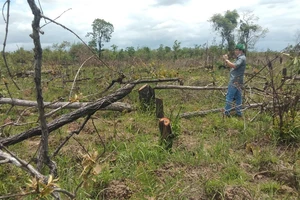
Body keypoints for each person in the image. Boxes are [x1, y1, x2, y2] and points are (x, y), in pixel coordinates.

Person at [222, 43, 246, 117]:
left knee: (229, 97)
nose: (235, 51)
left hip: (235, 81)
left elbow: (234, 66)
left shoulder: (241, 58)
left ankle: (226, 113)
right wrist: (227, 62)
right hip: (238, 81)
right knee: (238, 97)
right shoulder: (239, 58)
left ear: (240, 51)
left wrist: (226, 59)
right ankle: (239, 113)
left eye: (236, 50)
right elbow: (231, 66)